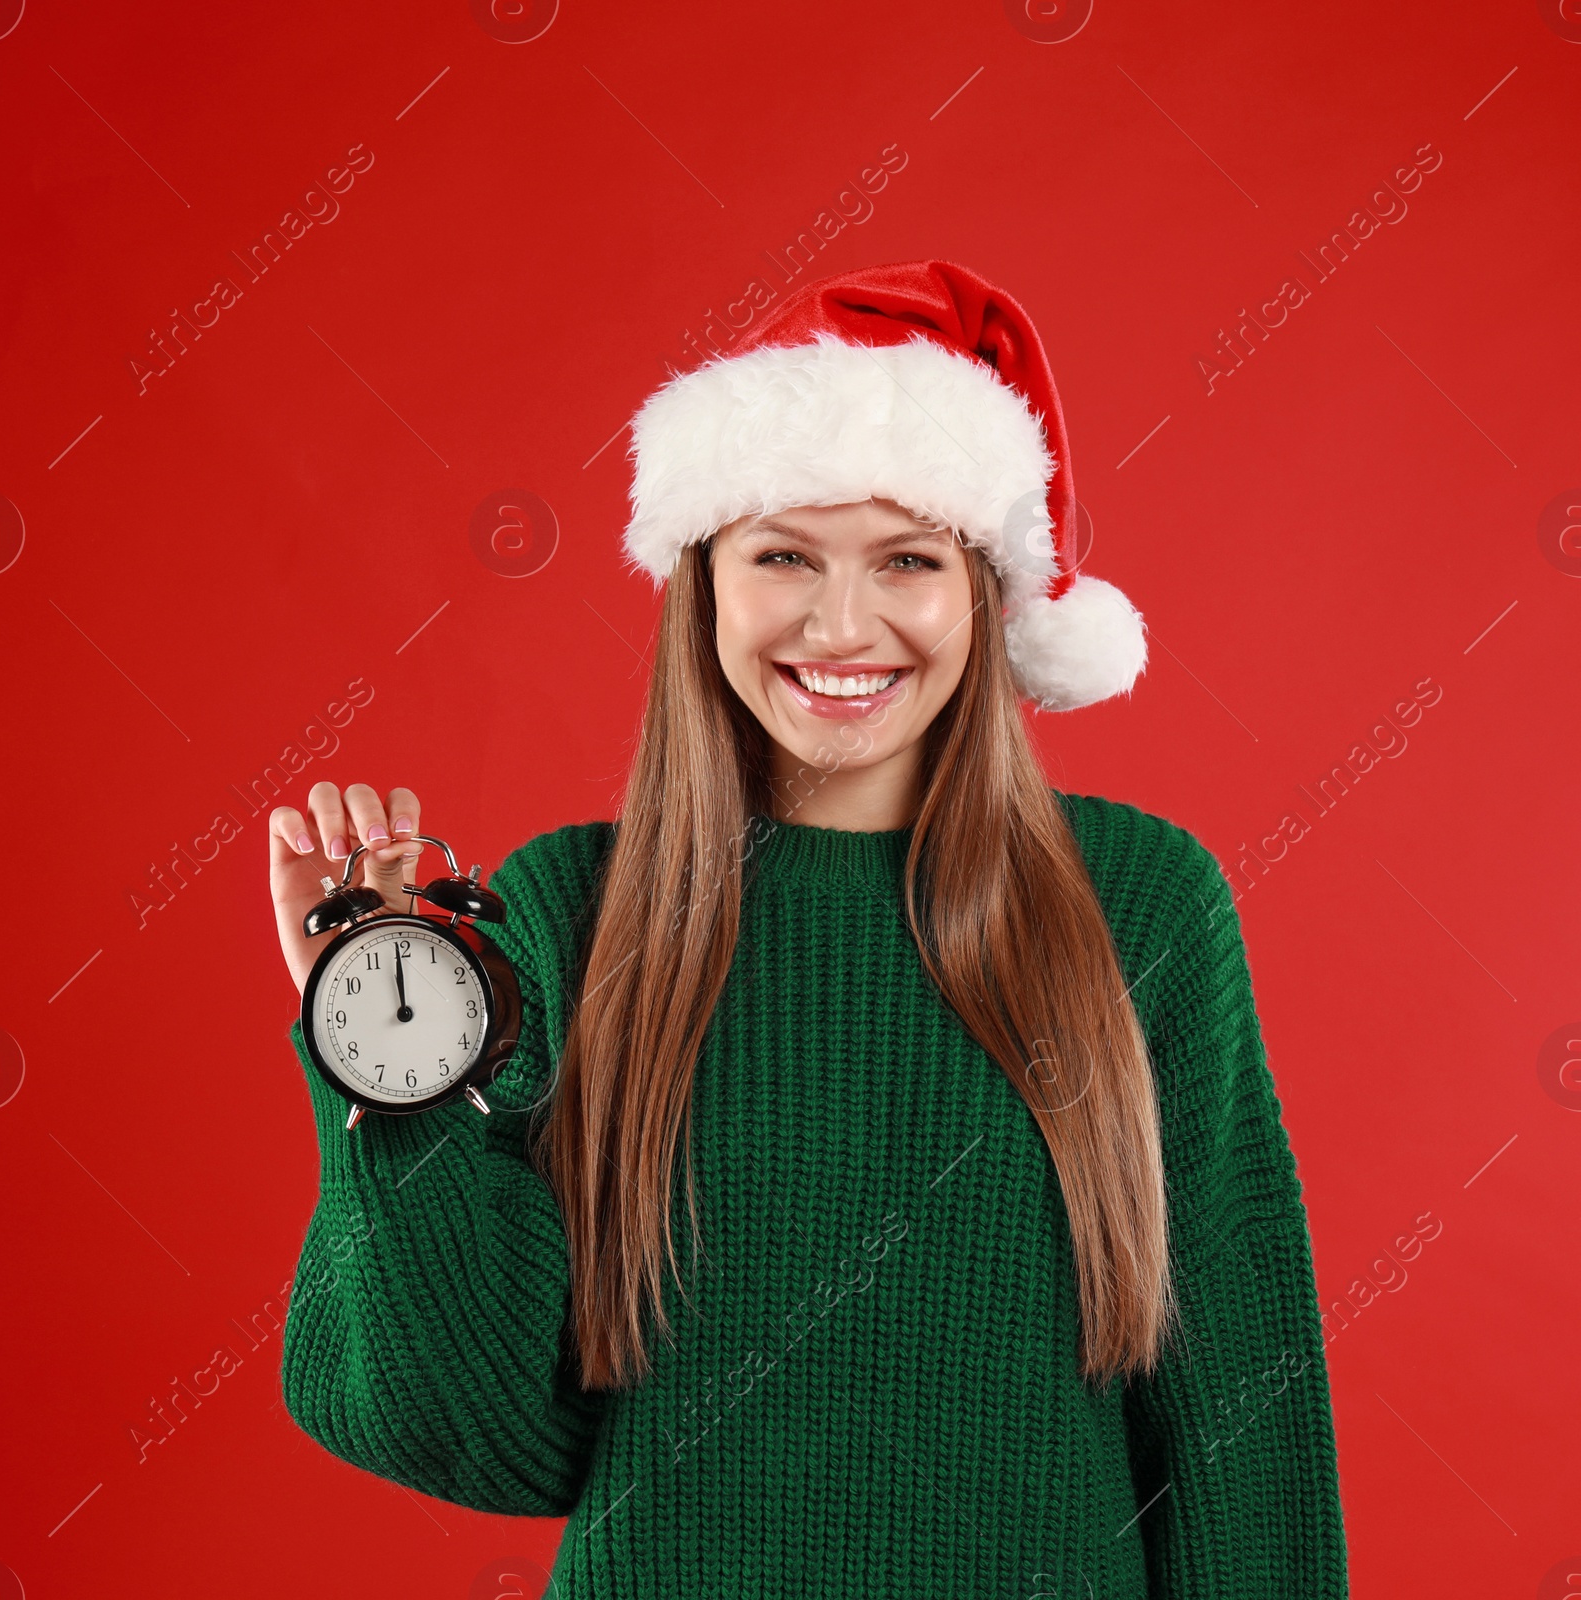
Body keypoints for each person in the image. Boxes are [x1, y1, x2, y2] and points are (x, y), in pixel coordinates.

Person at [268, 261, 1350, 1597]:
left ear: (987, 594)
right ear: (703, 581)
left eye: (908, 559)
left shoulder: (1142, 906)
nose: (843, 624)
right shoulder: (573, 909)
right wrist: (392, 1045)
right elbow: (484, 1437)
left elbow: (1244, 1419)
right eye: (783, 555)